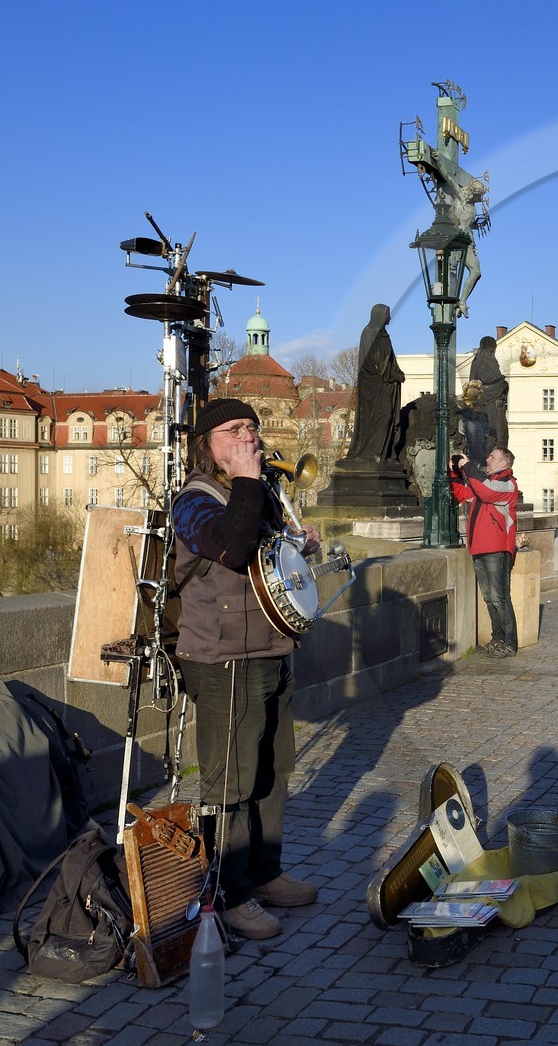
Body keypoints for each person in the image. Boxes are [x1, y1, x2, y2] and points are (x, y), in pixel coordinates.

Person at [172, 398, 320, 941]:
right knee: (229, 779)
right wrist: (246, 481)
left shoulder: (258, 493)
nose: (250, 437)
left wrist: (298, 547)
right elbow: (231, 549)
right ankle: (227, 891)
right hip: (223, 656)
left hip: (271, 649)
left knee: (273, 772)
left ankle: (264, 872)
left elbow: (267, 560)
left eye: (253, 428)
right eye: (235, 430)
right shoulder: (194, 499)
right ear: (208, 444)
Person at [452, 446, 520, 658]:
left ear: (504, 463)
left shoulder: (508, 484)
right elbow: (463, 494)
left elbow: (486, 491)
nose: (488, 459)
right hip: (479, 548)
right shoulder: (484, 482)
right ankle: (497, 639)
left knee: (500, 597)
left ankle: (510, 643)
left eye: (493, 457)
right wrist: (455, 472)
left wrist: (469, 466)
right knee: (489, 598)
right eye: (489, 455)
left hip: (496, 548)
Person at [343, 303, 404, 464]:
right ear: (380, 315)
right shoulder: (368, 333)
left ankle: (384, 453)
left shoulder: (385, 335)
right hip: (373, 385)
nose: (390, 318)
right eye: (387, 314)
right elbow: (373, 361)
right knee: (382, 415)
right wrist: (391, 374)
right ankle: (371, 453)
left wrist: (397, 372)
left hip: (385, 384)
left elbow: (390, 360)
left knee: (388, 417)